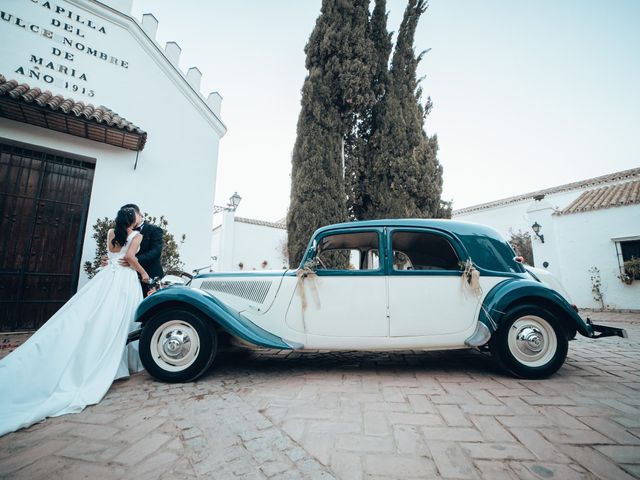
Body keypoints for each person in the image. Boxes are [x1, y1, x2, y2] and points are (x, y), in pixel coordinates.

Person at [0, 207, 148, 437]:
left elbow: (111, 257)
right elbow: (129, 258)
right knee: (120, 318)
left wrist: (112, 260)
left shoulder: (111, 232)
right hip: (124, 281)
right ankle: (119, 359)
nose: (141, 217)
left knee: (95, 317)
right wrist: (144, 274)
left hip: (106, 277)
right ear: (133, 218)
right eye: (139, 214)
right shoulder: (136, 235)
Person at [119, 204, 164, 296]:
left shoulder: (154, 230)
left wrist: (133, 260)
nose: (129, 218)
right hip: (125, 277)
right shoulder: (121, 231)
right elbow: (117, 250)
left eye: (131, 215)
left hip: (149, 274)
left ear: (139, 214)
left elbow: (156, 251)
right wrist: (109, 258)